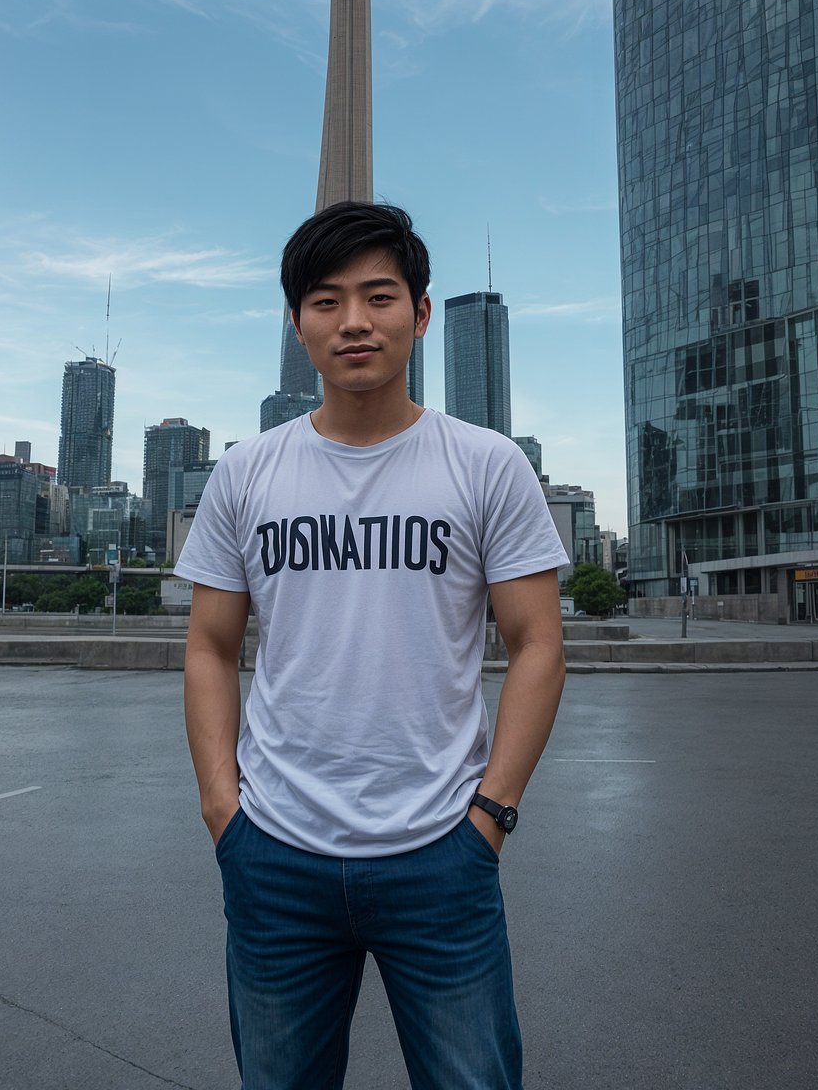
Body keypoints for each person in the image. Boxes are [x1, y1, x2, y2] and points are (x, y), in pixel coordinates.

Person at [181, 200, 569, 1090]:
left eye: (379, 296)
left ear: (420, 313)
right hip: (274, 852)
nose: (354, 321)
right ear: (298, 324)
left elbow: (537, 641)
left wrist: (490, 817)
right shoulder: (247, 471)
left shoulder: (485, 465)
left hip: (442, 853)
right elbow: (209, 645)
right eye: (326, 301)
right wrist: (221, 811)